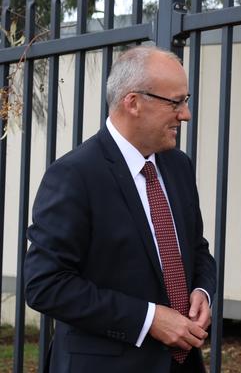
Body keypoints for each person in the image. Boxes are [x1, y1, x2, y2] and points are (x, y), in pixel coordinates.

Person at [24, 46, 216, 373]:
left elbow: (197, 249)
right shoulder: (74, 175)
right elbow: (45, 284)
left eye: (186, 100)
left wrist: (202, 291)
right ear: (133, 103)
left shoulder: (178, 166)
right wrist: (148, 319)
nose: (185, 114)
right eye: (176, 102)